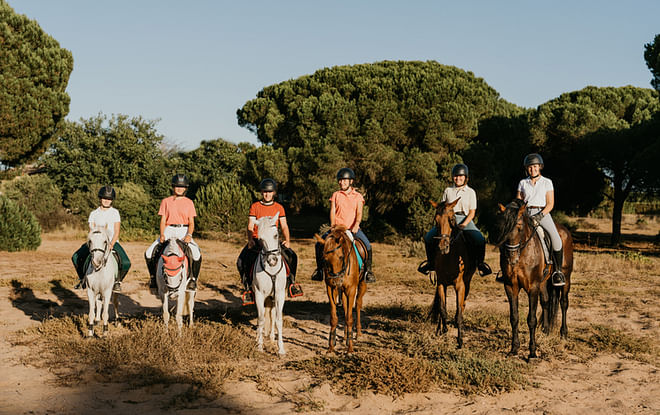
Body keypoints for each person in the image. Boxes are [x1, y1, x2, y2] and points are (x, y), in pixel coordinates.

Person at [236, 178, 303, 306]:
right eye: (264, 192)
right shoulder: (255, 206)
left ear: (274, 193)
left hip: (273, 242)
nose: (267, 194)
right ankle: (248, 288)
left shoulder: (279, 207)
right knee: (241, 262)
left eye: (270, 192)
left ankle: (292, 283)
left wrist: (287, 240)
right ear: (261, 192)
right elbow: (250, 226)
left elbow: (284, 226)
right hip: (257, 240)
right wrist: (250, 240)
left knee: (292, 256)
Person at [417, 164, 492, 277]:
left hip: (464, 218)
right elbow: (441, 208)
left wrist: (463, 225)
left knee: (480, 239)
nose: (458, 178)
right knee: (428, 237)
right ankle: (431, 263)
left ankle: (480, 264)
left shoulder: (471, 192)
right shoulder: (448, 190)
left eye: (461, 176)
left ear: (465, 177)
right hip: (447, 219)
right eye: (456, 176)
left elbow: (472, 212)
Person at [310, 168, 375, 283]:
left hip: (352, 228)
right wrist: (333, 225)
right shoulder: (336, 195)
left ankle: (368, 272)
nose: (342, 182)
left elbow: (359, 213)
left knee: (367, 245)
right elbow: (333, 211)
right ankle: (319, 271)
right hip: (337, 228)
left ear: (351, 181)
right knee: (318, 245)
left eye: (345, 180)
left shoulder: (358, 196)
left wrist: (356, 225)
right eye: (340, 180)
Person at [511, 153, 565, 286]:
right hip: (525, 213)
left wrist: (539, 216)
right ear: (526, 168)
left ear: (540, 167)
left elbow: (550, 204)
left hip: (543, 213)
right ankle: (507, 270)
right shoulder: (523, 182)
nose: (532, 169)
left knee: (556, 239)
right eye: (530, 167)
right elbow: (519, 200)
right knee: (511, 235)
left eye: (535, 166)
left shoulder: (547, 182)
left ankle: (557, 271)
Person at [144, 174, 202, 292]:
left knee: (196, 254)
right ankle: (154, 278)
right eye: (177, 186)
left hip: (183, 229)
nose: (179, 188)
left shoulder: (189, 202)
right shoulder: (166, 201)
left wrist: (189, 235)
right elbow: (163, 220)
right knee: (149, 253)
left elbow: (191, 222)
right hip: (169, 229)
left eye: (182, 186)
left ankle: (193, 280)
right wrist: (162, 234)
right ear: (173, 187)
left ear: (185, 188)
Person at [72, 186, 131, 293]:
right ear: (100, 198)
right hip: (95, 242)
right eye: (104, 198)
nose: (106, 201)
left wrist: (112, 244)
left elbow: (117, 231)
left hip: (111, 242)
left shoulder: (115, 213)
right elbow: (91, 230)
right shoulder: (94, 214)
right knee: (75, 257)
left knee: (126, 262)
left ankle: (117, 282)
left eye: (109, 199)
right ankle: (82, 279)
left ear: (112, 200)